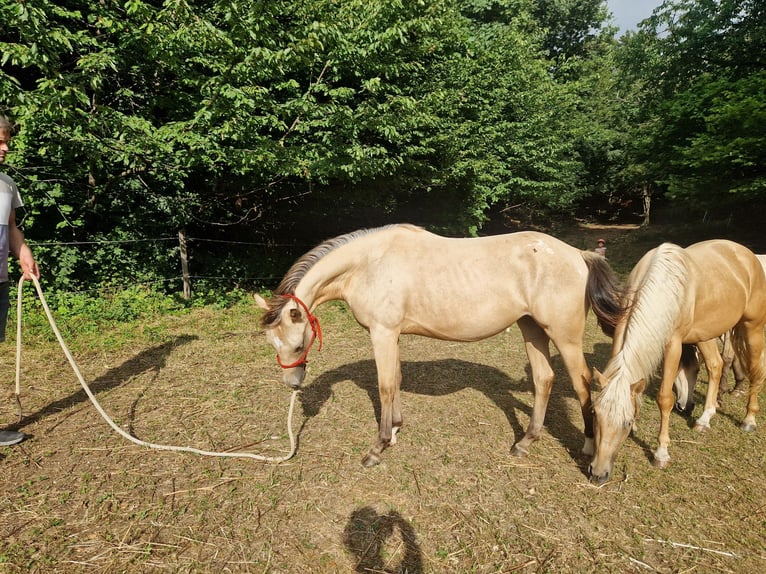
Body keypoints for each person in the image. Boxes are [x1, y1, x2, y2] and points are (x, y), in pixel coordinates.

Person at [0, 115, 40, 447]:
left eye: (6, 141)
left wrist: (23, 251)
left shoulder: (6, 185)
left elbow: (11, 228)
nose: (5, 147)